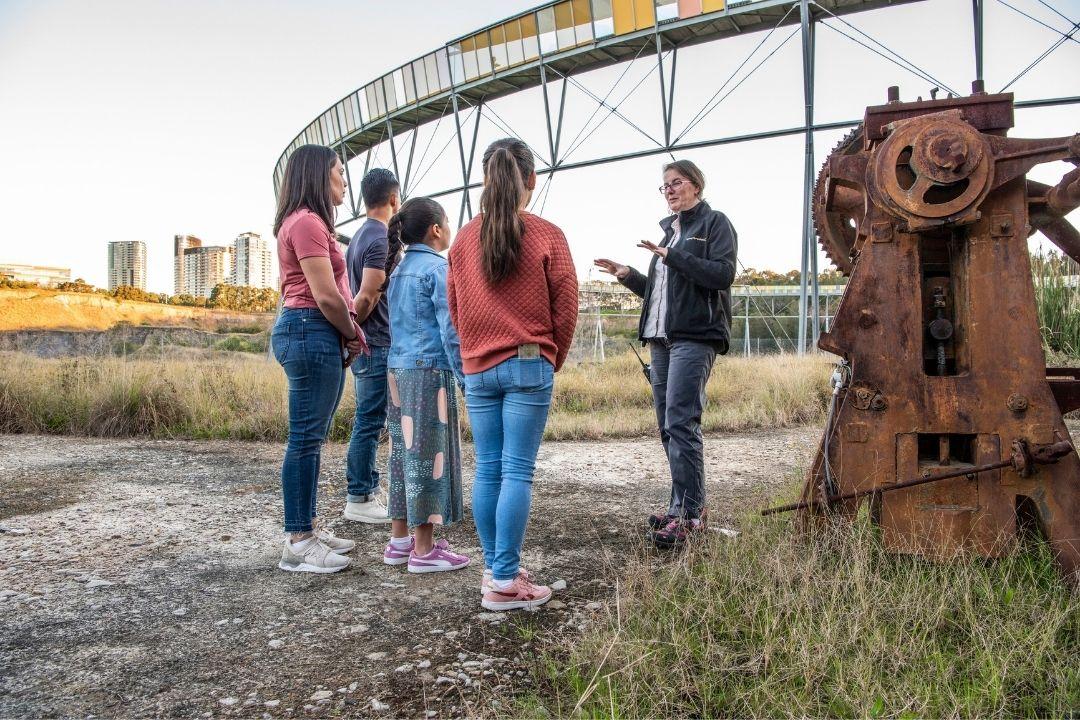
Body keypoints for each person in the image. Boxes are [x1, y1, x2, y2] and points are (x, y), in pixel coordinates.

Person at [448, 138, 578, 610]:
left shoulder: (462, 239)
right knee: (517, 471)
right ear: (531, 181)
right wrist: (551, 358)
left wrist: (473, 355)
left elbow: (455, 309)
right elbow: (566, 308)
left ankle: (497, 570)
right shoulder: (547, 234)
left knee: (489, 468)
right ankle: (505, 580)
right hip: (528, 362)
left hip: (478, 367)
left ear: (487, 179)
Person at [594, 159, 737, 549]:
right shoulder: (668, 234)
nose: (670, 190)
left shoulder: (714, 225)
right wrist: (628, 275)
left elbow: (722, 275)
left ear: (696, 185)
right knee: (667, 427)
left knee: (681, 421)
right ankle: (679, 507)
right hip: (660, 341)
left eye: (676, 183)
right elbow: (659, 298)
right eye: (665, 186)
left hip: (695, 337)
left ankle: (691, 515)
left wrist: (672, 256)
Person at [271, 144, 369, 573]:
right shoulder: (308, 222)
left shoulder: (307, 223)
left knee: (312, 437)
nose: (344, 180)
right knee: (305, 438)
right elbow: (326, 295)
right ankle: (299, 541)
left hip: (315, 331)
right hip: (311, 328)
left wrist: (345, 335)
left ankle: (306, 526)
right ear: (317, 176)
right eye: (338, 172)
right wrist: (352, 334)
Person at [380, 197, 471, 573]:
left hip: (397, 371)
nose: (450, 228)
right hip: (428, 372)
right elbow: (450, 331)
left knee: (403, 455)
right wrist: (465, 376)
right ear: (436, 229)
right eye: (447, 222)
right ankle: (425, 550)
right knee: (427, 457)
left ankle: (400, 540)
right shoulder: (437, 268)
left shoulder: (399, 269)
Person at [342, 168, 400, 524]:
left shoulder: (359, 236)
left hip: (370, 343)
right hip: (375, 343)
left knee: (368, 420)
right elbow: (367, 295)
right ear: (394, 199)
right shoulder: (379, 238)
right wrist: (354, 333)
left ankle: (362, 491)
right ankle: (360, 495)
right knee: (370, 421)